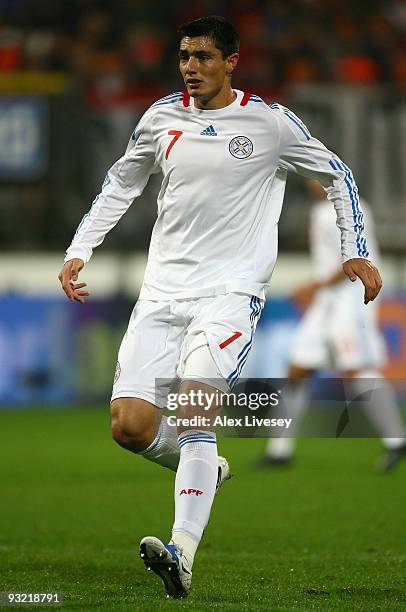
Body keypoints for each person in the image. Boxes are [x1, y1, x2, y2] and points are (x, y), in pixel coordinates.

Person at [58, 16, 382, 599]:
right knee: (129, 428)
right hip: (161, 293)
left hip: (230, 294)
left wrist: (355, 251)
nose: (191, 66)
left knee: (197, 408)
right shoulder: (161, 118)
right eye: (184, 56)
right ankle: (205, 467)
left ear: (232, 61)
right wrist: (80, 250)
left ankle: (181, 550)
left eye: (204, 56)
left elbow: (339, 175)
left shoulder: (270, 123)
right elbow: (120, 184)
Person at [261, 180, 406, 470]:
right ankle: (279, 450)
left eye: (317, 175)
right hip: (327, 302)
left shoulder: (352, 207)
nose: (311, 181)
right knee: (297, 370)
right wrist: (319, 289)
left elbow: (357, 260)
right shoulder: (319, 212)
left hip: (352, 301)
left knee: (356, 370)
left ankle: (397, 440)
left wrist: (313, 287)